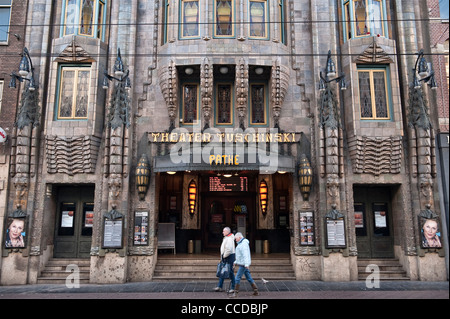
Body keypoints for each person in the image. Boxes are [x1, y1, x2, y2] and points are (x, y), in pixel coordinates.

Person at [230, 232, 259, 297]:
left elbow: (245, 255)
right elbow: (240, 256)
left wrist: (246, 264)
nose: (235, 240)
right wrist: (235, 262)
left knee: (237, 278)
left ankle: (235, 293)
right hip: (243, 263)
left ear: (240, 237)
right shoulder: (242, 244)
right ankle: (255, 290)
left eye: (236, 238)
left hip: (243, 264)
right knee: (249, 278)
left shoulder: (243, 244)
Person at [213, 227, 236, 292]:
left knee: (230, 272)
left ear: (227, 232)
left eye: (224, 231)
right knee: (222, 271)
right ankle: (220, 286)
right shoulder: (228, 238)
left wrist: (224, 256)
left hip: (228, 257)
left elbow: (228, 250)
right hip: (228, 256)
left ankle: (233, 287)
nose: (222, 232)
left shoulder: (229, 239)